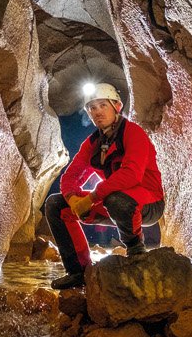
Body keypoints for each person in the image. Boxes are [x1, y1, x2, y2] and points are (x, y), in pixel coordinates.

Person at [42, 82, 165, 290]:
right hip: (112, 202)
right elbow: (70, 176)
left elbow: (131, 175)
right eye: (92, 108)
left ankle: (136, 252)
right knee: (56, 204)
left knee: (115, 198)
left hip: (148, 204)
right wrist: (73, 200)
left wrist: (91, 198)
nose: (97, 112)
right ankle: (79, 271)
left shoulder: (133, 134)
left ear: (116, 106)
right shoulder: (94, 144)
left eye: (102, 105)